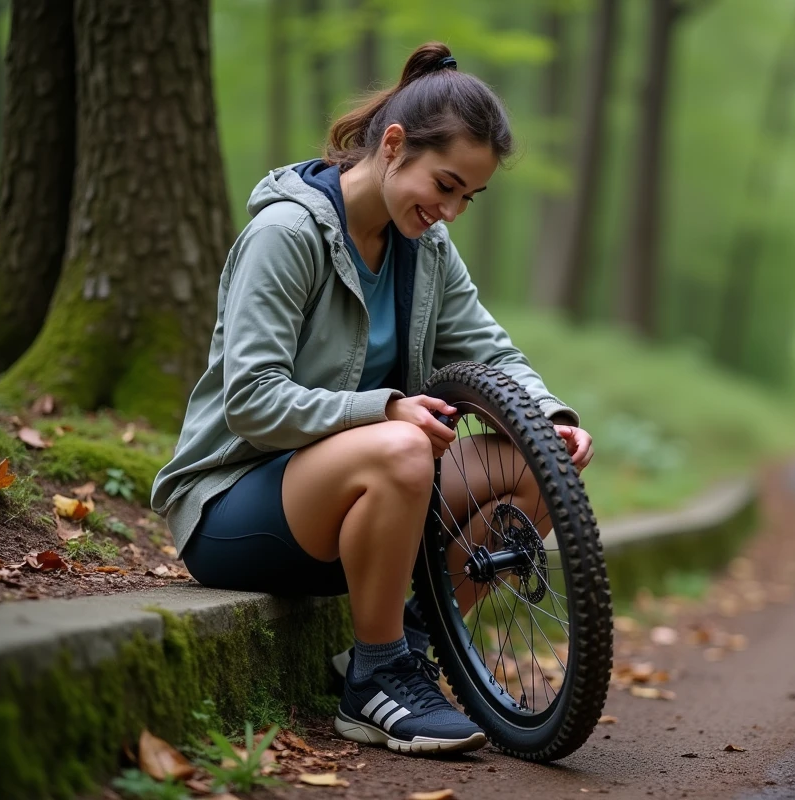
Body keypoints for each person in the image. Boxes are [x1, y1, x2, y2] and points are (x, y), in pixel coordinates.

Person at [150, 41, 594, 756]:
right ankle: (376, 685)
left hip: (375, 499)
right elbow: (252, 401)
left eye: (466, 198)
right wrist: (383, 408)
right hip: (235, 505)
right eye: (444, 185)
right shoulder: (286, 234)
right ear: (393, 146)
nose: (450, 211)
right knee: (402, 445)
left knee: (538, 464)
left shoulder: (427, 249)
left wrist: (551, 418)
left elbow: (490, 350)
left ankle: (401, 651)